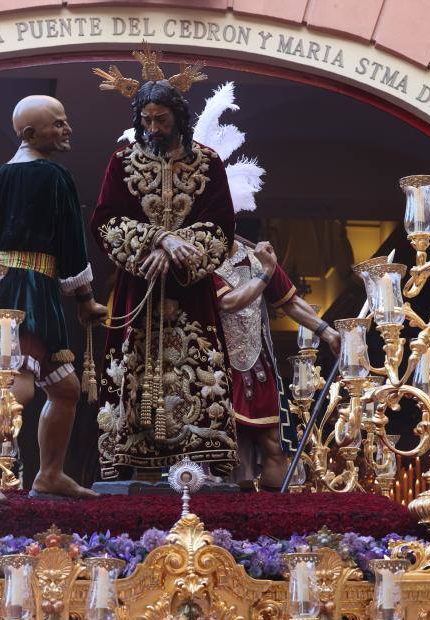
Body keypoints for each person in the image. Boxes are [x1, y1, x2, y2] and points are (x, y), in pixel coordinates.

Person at [91, 48, 237, 481]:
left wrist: (178, 248)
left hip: (191, 290)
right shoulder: (122, 161)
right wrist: (156, 238)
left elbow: (221, 225)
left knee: (201, 369)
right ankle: (130, 461)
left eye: (162, 120)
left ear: (178, 117)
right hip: (139, 285)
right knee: (129, 367)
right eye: (147, 120)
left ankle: (202, 464)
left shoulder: (207, 163)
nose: (153, 128)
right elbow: (104, 220)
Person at [0, 95, 106, 504]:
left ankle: (50, 474)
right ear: (30, 133)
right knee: (17, 386)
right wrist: (86, 298)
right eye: (58, 123)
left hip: (16, 284)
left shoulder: (5, 173)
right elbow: (71, 241)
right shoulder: (54, 175)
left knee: (66, 390)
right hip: (29, 289)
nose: (67, 129)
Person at [213, 237, 341, 489]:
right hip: (215, 367)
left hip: (257, 364)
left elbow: (290, 301)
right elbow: (227, 302)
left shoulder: (256, 258)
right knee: (227, 449)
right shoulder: (201, 257)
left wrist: (326, 332)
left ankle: (273, 516)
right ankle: (228, 513)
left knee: (275, 446)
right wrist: (267, 272)